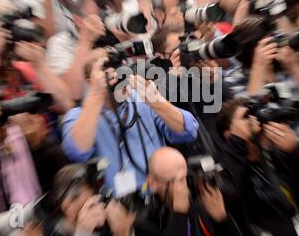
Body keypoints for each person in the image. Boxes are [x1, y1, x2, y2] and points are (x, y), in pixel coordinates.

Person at [61, 57, 199, 192]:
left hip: (164, 191)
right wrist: (96, 95)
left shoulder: (141, 97)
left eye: (119, 69)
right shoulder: (79, 116)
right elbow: (76, 152)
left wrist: (156, 102)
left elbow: (189, 130)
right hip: (123, 206)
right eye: (106, 73)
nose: (117, 77)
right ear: (91, 81)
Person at [216, 98, 299, 236]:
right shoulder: (230, 168)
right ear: (229, 135)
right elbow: (226, 199)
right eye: (247, 118)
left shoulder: (279, 153)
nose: (258, 125)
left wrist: (296, 149)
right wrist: (237, 142)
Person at [134, 146, 243, 236]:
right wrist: (179, 214)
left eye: (186, 177)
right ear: (153, 183)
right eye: (178, 180)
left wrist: (222, 219)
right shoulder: (145, 222)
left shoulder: (200, 202)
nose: (185, 185)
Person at [45, 164, 136, 236]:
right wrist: (83, 234)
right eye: (91, 205)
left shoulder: (108, 222)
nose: (99, 205)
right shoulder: (53, 234)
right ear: (66, 207)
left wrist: (125, 233)